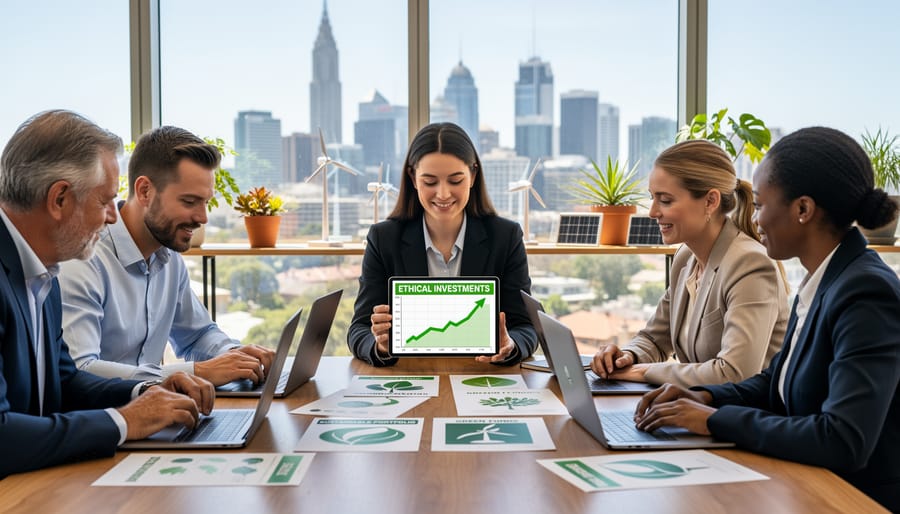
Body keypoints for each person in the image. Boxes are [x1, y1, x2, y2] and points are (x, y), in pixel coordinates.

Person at [634, 127, 900, 511]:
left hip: (850, 499)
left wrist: (713, 420)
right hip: (801, 483)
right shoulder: (823, 278)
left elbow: (843, 439)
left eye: (759, 205)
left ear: (803, 210)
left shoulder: (865, 293)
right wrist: (704, 397)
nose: (753, 220)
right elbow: (773, 383)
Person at [0, 110, 214, 477]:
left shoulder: (42, 270)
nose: (113, 217)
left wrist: (147, 390)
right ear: (60, 199)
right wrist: (125, 422)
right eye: (104, 201)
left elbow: (65, 382)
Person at [58, 126, 274, 386]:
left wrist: (232, 356)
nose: (202, 217)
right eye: (189, 201)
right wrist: (197, 373)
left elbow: (197, 335)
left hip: (155, 414)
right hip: (105, 419)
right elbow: (81, 369)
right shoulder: (84, 259)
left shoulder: (169, 259)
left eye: (205, 202)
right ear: (145, 191)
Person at [591, 140, 789, 387]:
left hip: (743, 417)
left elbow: (736, 374)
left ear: (710, 201)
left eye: (665, 200)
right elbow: (654, 339)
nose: (652, 212)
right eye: (652, 198)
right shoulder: (686, 258)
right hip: (699, 409)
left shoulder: (749, 264)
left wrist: (644, 372)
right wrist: (626, 357)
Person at [348, 122, 538, 367]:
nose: (443, 194)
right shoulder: (383, 239)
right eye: (430, 182)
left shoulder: (506, 236)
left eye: (455, 180)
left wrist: (510, 345)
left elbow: (526, 327)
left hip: (481, 378)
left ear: (473, 176)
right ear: (413, 179)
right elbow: (359, 330)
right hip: (411, 378)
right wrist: (380, 346)